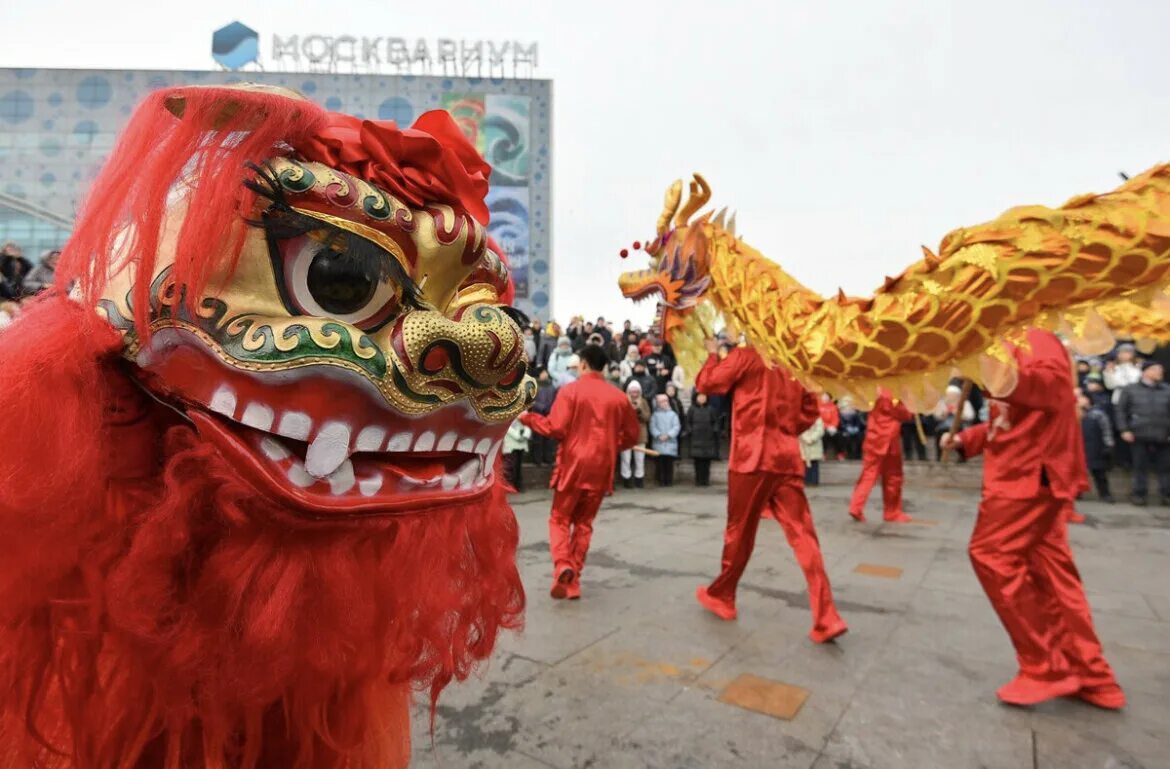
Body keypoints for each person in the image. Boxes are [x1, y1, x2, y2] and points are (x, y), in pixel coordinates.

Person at [941, 328, 1124, 708]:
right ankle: (1092, 675)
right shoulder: (1004, 341)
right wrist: (968, 440)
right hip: (1022, 472)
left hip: (1027, 476)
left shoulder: (1034, 337)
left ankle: (1046, 666)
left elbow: (1050, 389)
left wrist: (985, 368)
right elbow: (1007, 421)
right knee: (1056, 578)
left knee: (992, 556)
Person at [693, 339, 847, 643]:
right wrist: (786, 430)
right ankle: (826, 614)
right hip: (786, 457)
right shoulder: (795, 362)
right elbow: (809, 410)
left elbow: (707, 384)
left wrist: (711, 353)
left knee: (739, 531)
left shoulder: (747, 356)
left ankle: (723, 595)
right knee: (804, 534)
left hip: (751, 457)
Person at [521, 344, 640, 599]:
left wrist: (528, 418)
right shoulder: (619, 397)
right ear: (604, 367)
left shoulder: (570, 391)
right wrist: (611, 445)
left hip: (574, 464)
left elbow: (555, 428)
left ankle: (563, 563)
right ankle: (573, 580)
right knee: (584, 524)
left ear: (583, 364)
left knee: (559, 519)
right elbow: (632, 436)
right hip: (601, 466)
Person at [848, 388, 914, 523]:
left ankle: (856, 506)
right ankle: (892, 512)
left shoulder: (875, 388)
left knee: (868, 474)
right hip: (890, 438)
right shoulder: (895, 391)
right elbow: (905, 414)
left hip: (874, 436)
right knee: (893, 476)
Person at [1115, 360, 1170, 506]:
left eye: (1161, 369)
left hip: (1163, 434)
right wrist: (1124, 429)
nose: (1159, 372)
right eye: (1156, 369)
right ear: (1146, 371)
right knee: (1140, 467)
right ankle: (1139, 494)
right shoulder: (1130, 389)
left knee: (1165, 467)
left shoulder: (1167, 390)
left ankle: (1166, 494)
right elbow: (1121, 411)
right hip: (1138, 433)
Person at [1079, 392, 1114, 503]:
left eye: (1081, 397)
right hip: (1079, 447)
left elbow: (1106, 430)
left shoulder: (1098, 414)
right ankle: (1076, 493)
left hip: (1096, 447)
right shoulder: (1073, 413)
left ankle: (1105, 494)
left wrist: (1108, 445)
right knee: (1077, 472)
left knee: (1099, 473)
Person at [621, 380, 652, 488]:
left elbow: (647, 417)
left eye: (636, 392)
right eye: (632, 391)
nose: (634, 394)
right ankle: (626, 479)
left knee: (640, 459)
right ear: (628, 392)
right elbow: (620, 417)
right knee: (626, 459)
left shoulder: (643, 402)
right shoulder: (623, 401)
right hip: (626, 435)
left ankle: (639, 479)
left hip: (640, 435)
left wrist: (639, 412)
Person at [687, 391, 721, 487]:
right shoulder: (692, 409)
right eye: (700, 397)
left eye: (704, 397)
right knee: (697, 462)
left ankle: (705, 480)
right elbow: (688, 422)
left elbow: (715, 422)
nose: (702, 399)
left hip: (708, 439)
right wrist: (691, 430)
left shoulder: (711, 409)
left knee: (706, 462)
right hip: (696, 438)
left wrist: (713, 431)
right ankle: (698, 480)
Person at [650, 393, 681, 487]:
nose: (664, 403)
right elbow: (652, 427)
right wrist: (658, 435)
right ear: (658, 403)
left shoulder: (673, 414)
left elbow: (676, 426)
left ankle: (669, 481)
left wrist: (668, 435)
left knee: (669, 464)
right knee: (660, 464)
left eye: (665, 401)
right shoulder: (655, 415)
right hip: (658, 443)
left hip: (670, 443)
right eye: (661, 402)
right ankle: (660, 480)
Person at [528, 370, 558, 466]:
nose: (545, 374)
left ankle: (547, 458)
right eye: (543, 372)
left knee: (548, 438)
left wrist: (550, 408)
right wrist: (541, 407)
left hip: (549, 415)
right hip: (537, 414)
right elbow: (531, 401)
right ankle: (537, 459)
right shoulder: (534, 385)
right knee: (537, 438)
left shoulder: (552, 386)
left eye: (545, 372)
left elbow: (555, 400)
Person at [503, 418, 532, 493]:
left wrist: (526, 434)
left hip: (521, 443)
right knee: (510, 466)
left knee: (518, 466)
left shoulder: (523, 411)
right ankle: (508, 486)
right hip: (510, 443)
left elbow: (528, 423)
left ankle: (518, 486)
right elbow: (505, 425)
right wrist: (517, 436)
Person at [801, 417, 825, 486]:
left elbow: (820, 430)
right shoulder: (800, 417)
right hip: (803, 443)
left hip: (814, 444)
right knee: (804, 464)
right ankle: (806, 480)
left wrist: (812, 438)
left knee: (814, 464)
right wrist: (805, 437)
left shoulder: (817, 418)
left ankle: (814, 481)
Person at [818, 393, 841, 460]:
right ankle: (823, 454)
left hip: (832, 428)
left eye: (826, 396)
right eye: (824, 396)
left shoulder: (833, 407)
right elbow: (818, 419)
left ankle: (840, 453)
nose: (825, 398)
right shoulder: (818, 406)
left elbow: (836, 418)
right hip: (821, 427)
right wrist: (827, 427)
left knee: (839, 435)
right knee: (824, 435)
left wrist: (833, 427)